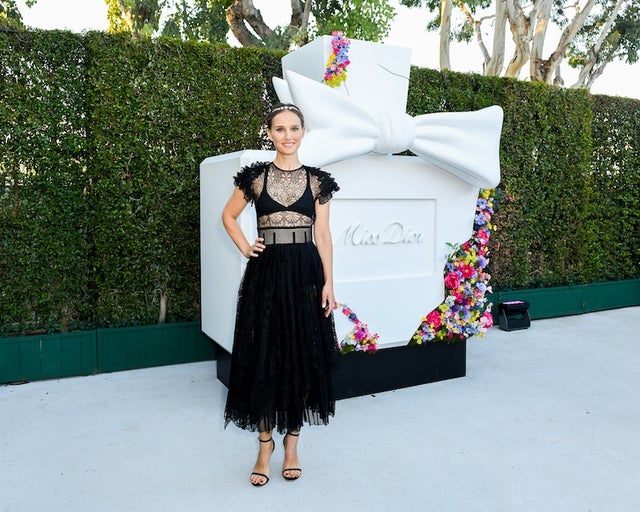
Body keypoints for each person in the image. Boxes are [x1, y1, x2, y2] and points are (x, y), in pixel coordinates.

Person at [221, 103, 340, 486]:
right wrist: (245, 246)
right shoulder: (255, 178)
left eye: (294, 128)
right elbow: (227, 215)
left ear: (303, 132)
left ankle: (291, 445)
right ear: (270, 134)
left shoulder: (319, 182)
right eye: (280, 129)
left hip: (306, 274)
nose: (287, 135)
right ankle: (264, 446)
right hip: (267, 275)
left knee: (301, 356)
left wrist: (329, 283)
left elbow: (323, 235)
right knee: (265, 357)